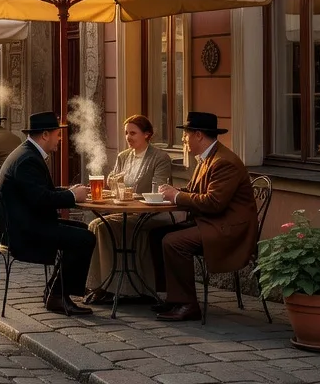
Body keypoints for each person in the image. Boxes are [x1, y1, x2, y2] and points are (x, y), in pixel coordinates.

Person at [149, 112, 258, 322]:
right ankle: (172, 297)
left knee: (173, 242)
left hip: (229, 229)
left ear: (198, 135)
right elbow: (194, 191)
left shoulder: (224, 162)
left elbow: (214, 203)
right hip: (211, 223)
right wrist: (173, 191)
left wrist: (177, 196)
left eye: (186, 135)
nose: (184, 140)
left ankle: (188, 304)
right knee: (156, 234)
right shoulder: (207, 158)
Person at [0, 111, 96, 316]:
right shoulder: (28, 160)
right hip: (22, 232)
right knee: (84, 238)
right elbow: (40, 200)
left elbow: (39, 192)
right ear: (45, 135)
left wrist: (69, 192)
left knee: (82, 230)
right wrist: (72, 196)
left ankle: (55, 290)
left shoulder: (27, 153)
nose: (60, 139)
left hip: (24, 223)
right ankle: (59, 296)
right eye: (57, 135)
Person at [83, 115, 174, 304]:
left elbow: (158, 192)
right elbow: (114, 184)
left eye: (133, 133)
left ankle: (118, 287)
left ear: (147, 134)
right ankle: (102, 285)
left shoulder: (160, 158)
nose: (128, 137)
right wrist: (111, 184)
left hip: (153, 214)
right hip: (127, 212)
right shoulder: (123, 156)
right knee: (96, 224)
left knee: (101, 226)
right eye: (126, 133)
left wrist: (127, 193)